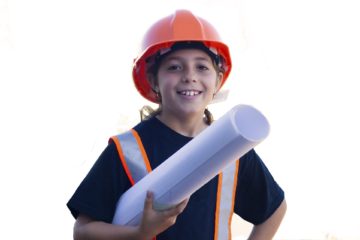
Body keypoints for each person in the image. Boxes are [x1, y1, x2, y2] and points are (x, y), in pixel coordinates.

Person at [67, 9, 287, 240]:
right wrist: (140, 233)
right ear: (153, 80)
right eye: (174, 67)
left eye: (202, 67)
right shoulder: (128, 150)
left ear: (218, 80)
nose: (189, 76)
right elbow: (83, 232)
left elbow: (274, 210)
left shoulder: (231, 147)